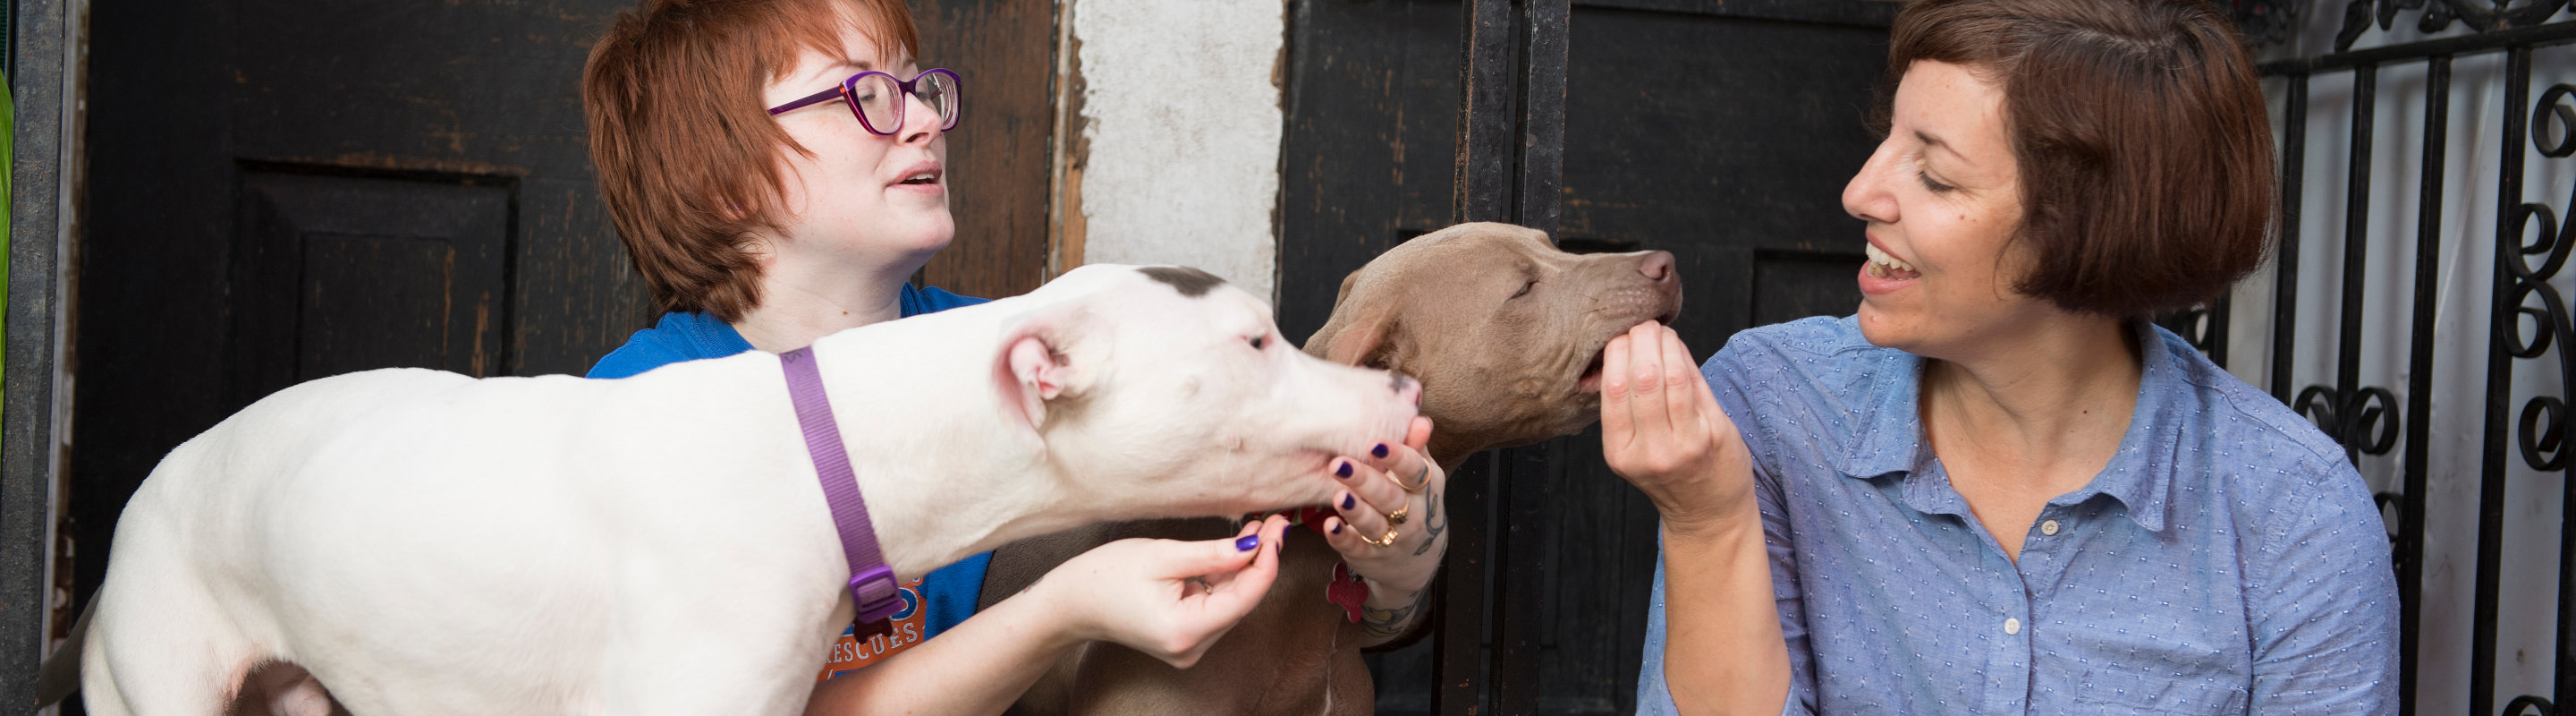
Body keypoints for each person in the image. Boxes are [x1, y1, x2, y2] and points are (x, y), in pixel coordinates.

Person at [578, 0, 1446, 712]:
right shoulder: (640, 416)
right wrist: (1061, 610)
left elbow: (1304, 608)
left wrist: (1396, 561)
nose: (923, 119)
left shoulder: (1033, 356)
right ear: (725, 178)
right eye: (866, 95)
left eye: (920, 90)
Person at [1598, 0, 2400, 713]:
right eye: (1888, 140)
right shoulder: (1775, 404)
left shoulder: (2295, 515)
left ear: (2092, 227)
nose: (1860, 192)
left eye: (1937, 177)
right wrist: (1706, 521)